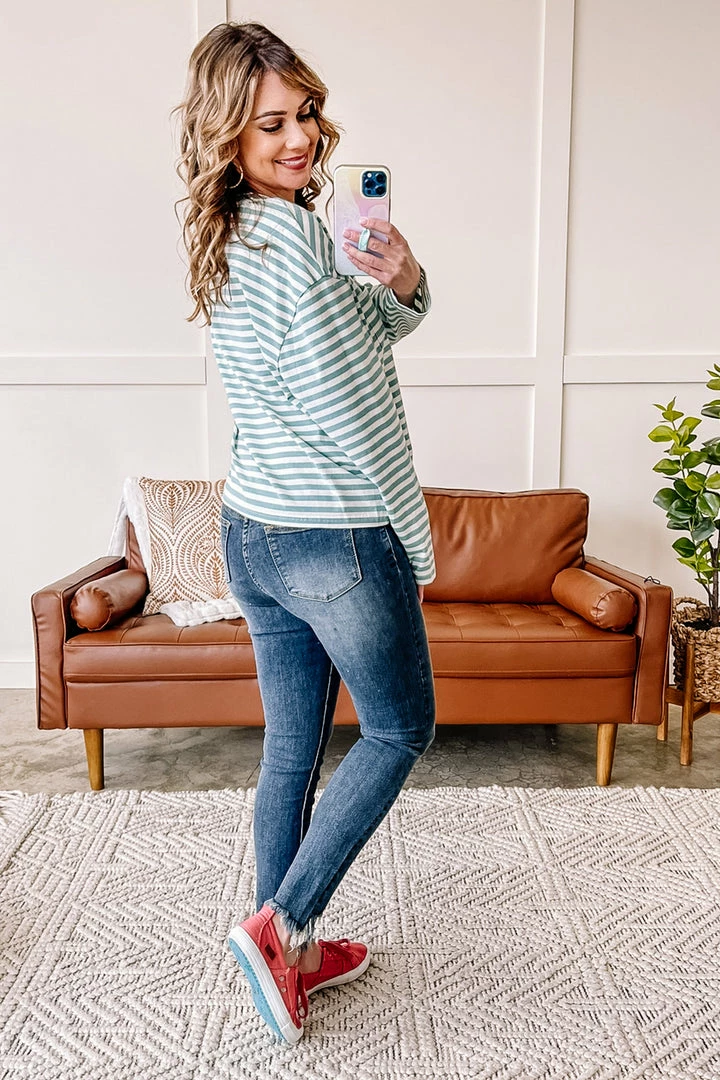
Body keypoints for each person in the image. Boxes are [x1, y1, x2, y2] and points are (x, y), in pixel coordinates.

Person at [174, 21, 436, 1045]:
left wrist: (399, 283)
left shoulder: (239, 234)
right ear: (228, 136)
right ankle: (281, 927)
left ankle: (281, 946)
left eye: (307, 115)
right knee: (400, 730)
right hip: (332, 533)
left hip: (255, 527)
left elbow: (348, 343)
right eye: (271, 124)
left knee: (291, 747)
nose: (300, 139)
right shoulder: (294, 245)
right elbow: (349, 396)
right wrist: (402, 522)